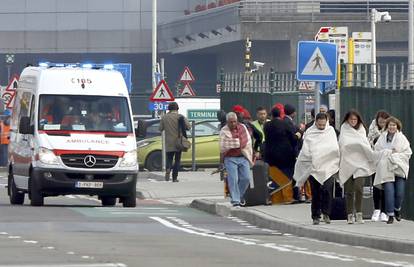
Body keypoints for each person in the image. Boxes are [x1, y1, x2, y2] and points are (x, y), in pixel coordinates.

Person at [294, 113, 340, 225]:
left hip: (328, 166)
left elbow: (334, 147)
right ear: (316, 122)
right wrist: (314, 156)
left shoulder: (330, 132)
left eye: (323, 125)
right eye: (319, 125)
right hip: (314, 167)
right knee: (316, 192)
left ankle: (327, 213)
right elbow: (306, 150)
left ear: (326, 122)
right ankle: (315, 215)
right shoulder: (310, 132)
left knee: (328, 189)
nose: (321, 127)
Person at [339, 110, 375, 224]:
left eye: (355, 119)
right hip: (347, 163)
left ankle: (359, 213)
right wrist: (355, 146)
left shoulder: (362, 131)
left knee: (359, 188)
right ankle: (350, 214)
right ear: (347, 120)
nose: (353, 121)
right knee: (349, 190)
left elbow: (365, 145)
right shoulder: (344, 130)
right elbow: (343, 145)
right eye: (351, 119)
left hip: (360, 164)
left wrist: (358, 146)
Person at [374, 117, 412, 224]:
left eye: (394, 125)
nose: (392, 127)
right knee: (389, 192)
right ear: (387, 126)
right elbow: (376, 152)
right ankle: (390, 215)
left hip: (399, 168)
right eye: (390, 125)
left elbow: (407, 153)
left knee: (399, 193)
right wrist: (388, 152)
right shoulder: (382, 138)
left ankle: (397, 209)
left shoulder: (402, 138)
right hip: (386, 168)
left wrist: (395, 155)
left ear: (397, 127)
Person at [219, 112, 253, 207]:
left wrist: (237, 144)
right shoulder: (223, 131)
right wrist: (221, 162)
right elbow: (223, 147)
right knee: (233, 179)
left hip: (243, 157)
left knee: (246, 178)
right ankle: (235, 200)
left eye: (234, 122)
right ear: (227, 122)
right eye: (231, 122)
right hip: (230, 158)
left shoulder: (242, 127)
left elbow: (247, 141)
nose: (233, 124)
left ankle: (239, 195)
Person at [264, 107, 297, 186]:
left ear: (271, 115)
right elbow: (292, 138)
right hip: (285, 155)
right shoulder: (285, 124)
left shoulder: (267, 125)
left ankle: (276, 193)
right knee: (287, 175)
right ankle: (285, 193)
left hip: (271, 155)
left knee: (274, 176)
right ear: (280, 115)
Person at [367, 110, 390, 222]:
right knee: (376, 185)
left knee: (386, 186)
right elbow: (368, 142)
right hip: (374, 161)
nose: (382, 122)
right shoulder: (372, 129)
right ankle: (377, 210)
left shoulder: (391, 129)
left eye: (384, 120)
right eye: (380, 120)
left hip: (386, 162)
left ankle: (385, 211)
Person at [159, 102, 190, 182]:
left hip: (168, 142)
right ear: (177, 108)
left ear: (169, 108)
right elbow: (188, 127)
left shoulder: (164, 117)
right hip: (179, 142)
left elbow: (160, 128)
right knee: (177, 160)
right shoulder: (180, 117)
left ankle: (168, 168)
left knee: (169, 158)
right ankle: (174, 177)